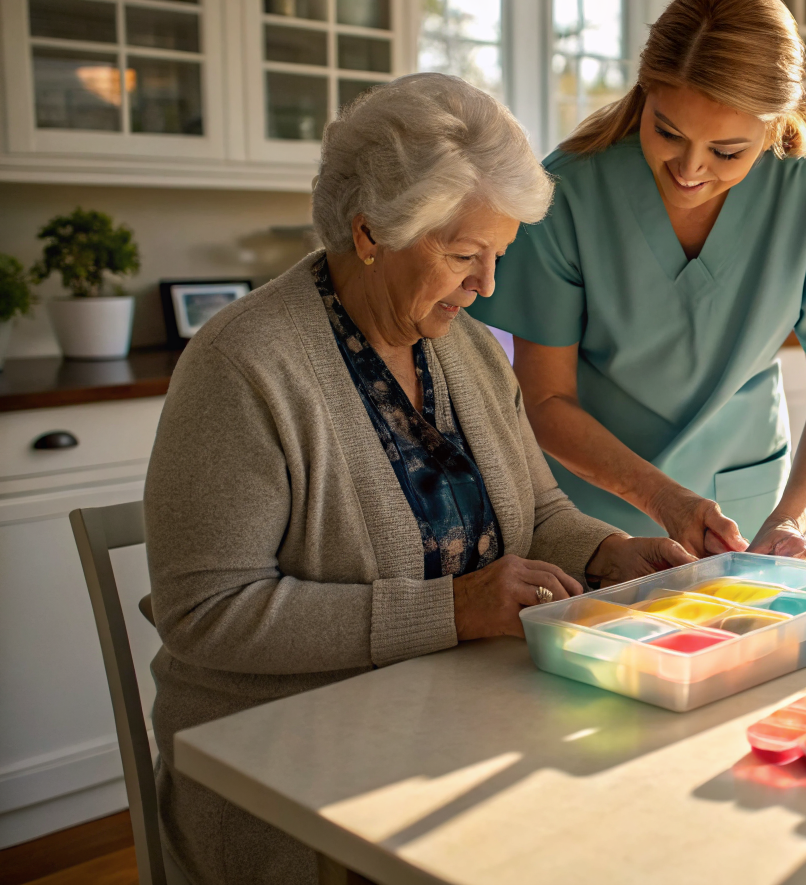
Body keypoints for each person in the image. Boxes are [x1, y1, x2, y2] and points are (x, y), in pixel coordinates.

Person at [143, 73, 693, 885]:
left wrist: (608, 553)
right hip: (287, 764)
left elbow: (534, 512)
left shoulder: (463, 346)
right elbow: (206, 613)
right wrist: (451, 610)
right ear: (370, 234)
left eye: (497, 255)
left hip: (458, 720)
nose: (487, 286)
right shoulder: (243, 365)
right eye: (465, 255)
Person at [469, 0, 806, 561]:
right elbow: (544, 402)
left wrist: (790, 519)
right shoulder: (569, 191)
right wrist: (661, 499)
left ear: (772, 126)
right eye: (667, 132)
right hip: (594, 525)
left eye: (727, 152)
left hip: (745, 521)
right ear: (645, 93)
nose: (691, 170)